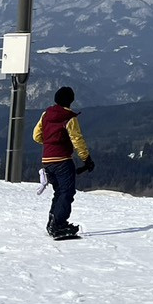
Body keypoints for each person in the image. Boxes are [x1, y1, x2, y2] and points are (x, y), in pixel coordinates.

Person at [32, 85, 94, 239]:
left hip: (47, 161)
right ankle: (58, 225)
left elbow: (36, 135)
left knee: (59, 192)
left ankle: (53, 223)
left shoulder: (46, 114)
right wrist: (87, 159)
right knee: (67, 192)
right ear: (71, 100)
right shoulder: (69, 118)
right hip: (63, 160)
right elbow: (77, 140)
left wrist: (50, 144)